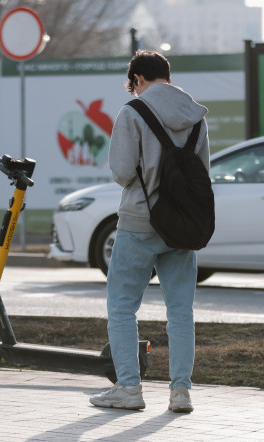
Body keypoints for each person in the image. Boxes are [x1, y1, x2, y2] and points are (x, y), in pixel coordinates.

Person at [89, 50, 210, 412]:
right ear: (167, 77)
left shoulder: (133, 112)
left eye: (132, 85)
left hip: (140, 222)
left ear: (138, 79)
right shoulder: (196, 117)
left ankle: (128, 389)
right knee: (181, 311)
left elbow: (123, 172)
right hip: (182, 226)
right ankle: (180, 392)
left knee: (122, 307)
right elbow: (202, 171)